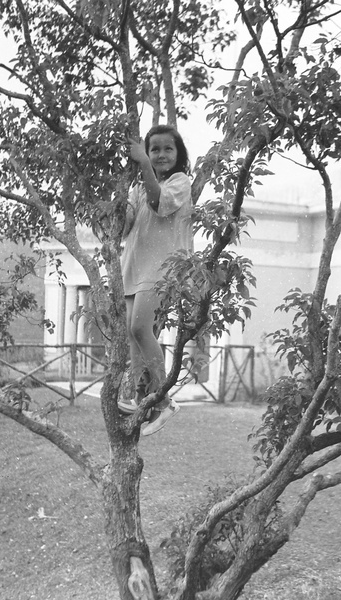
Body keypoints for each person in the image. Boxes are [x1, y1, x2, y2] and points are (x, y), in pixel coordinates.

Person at [118, 125, 193, 436]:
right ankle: (141, 398)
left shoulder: (180, 182)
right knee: (133, 336)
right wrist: (118, 207)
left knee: (140, 328)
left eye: (167, 149)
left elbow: (158, 203)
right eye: (154, 150)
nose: (161, 155)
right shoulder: (137, 188)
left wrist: (143, 164)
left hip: (163, 270)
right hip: (135, 267)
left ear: (178, 155)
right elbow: (125, 228)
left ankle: (162, 400)